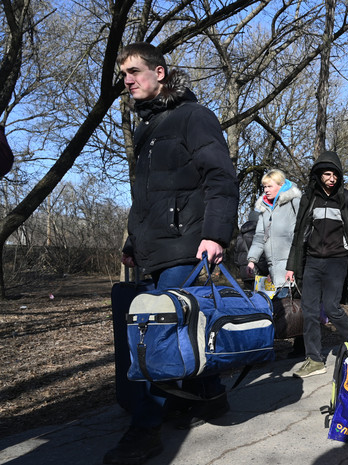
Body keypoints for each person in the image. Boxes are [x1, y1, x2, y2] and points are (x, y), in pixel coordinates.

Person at [106, 42, 239, 465]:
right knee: (180, 332)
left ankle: (145, 430)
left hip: (185, 248)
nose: (126, 80)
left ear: (159, 73)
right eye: (123, 74)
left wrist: (216, 235)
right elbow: (147, 198)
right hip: (153, 250)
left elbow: (221, 178)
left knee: (155, 338)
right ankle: (210, 395)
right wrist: (131, 242)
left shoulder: (193, 117)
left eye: (133, 71)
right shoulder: (148, 128)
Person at [285, 150, 348, 378]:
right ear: (319, 175)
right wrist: (292, 265)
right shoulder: (308, 199)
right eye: (327, 174)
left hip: (337, 261)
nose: (331, 179)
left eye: (335, 175)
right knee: (309, 311)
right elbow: (298, 233)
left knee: (331, 307)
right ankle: (313, 359)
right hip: (311, 260)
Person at [246, 168, 302, 298]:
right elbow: (260, 237)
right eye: (264, 186)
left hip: (292, 267)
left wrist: (294, 266)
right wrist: (251, 261)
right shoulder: (264, 209)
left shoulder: (294, 201)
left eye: (270, 186)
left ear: (281, 185)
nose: (266, 190)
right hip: (274, 270)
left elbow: (303, 231)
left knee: (290, 309)